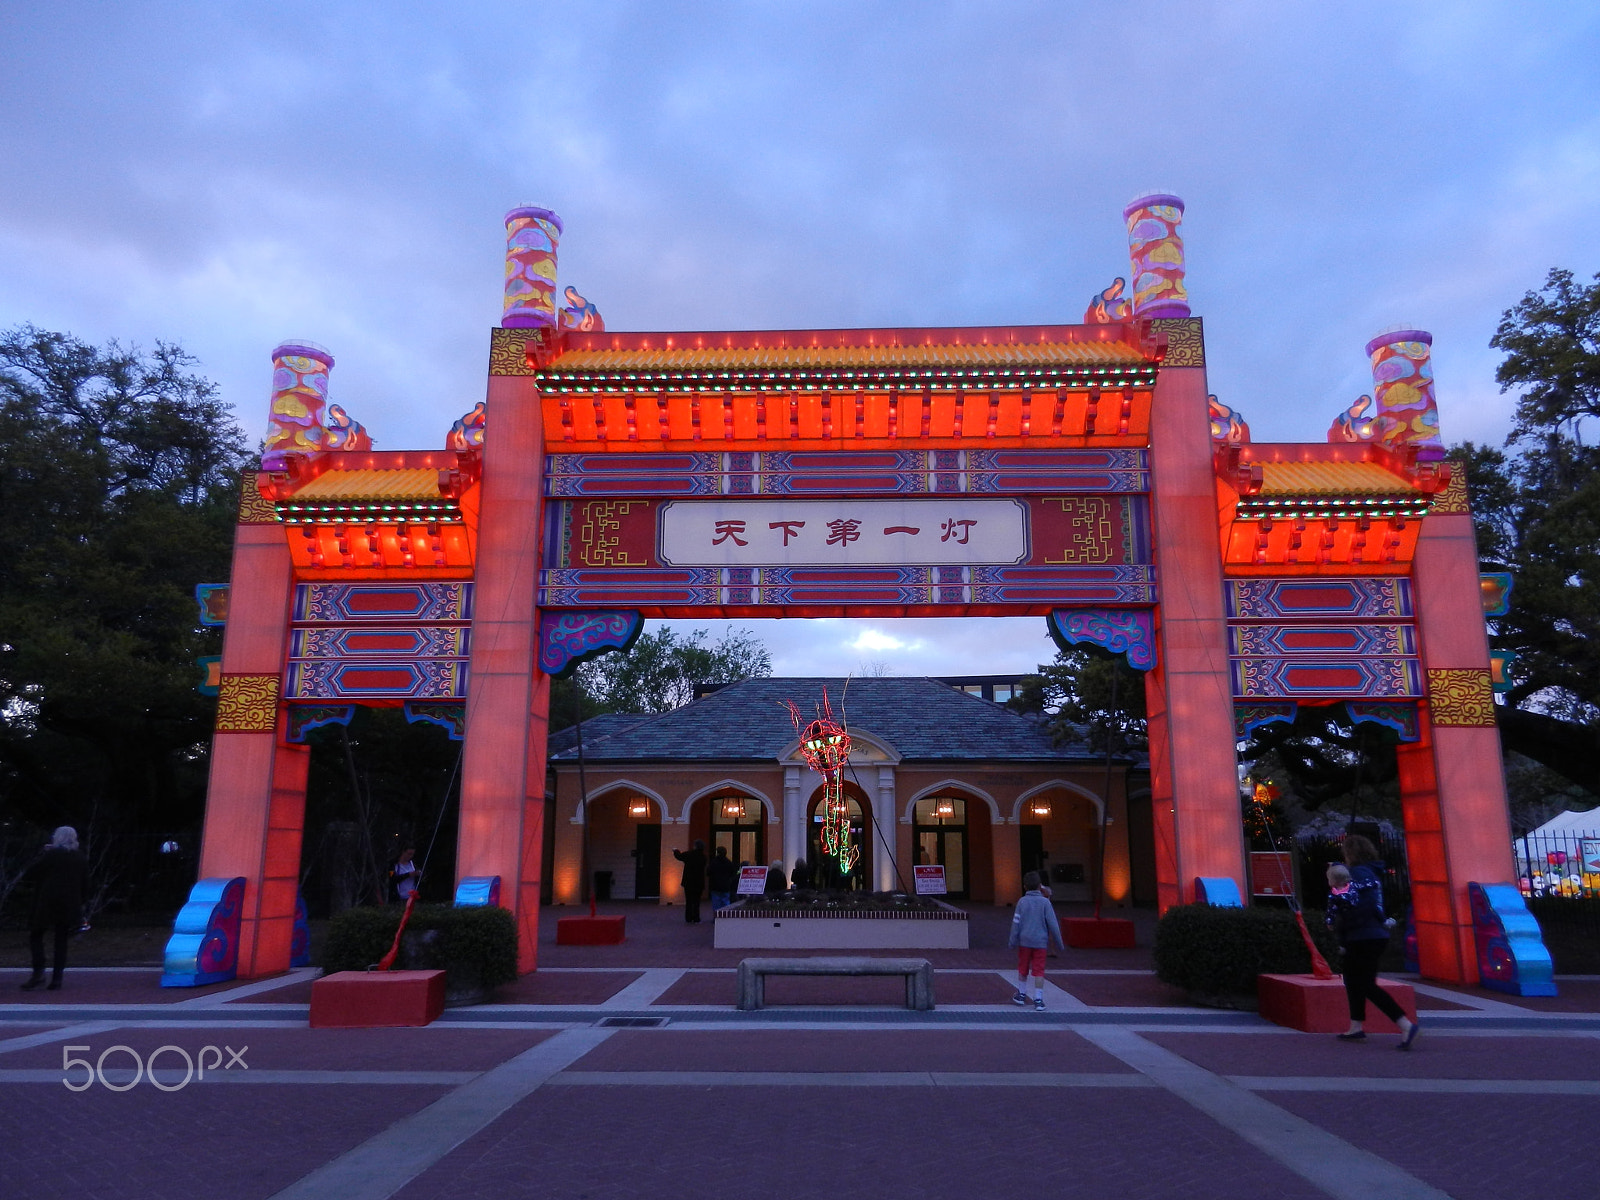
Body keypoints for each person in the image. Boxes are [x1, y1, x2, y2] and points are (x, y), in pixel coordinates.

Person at [1326, 836, 1418, 1049]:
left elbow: (1350, 903)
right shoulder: (1371, 874)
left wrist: (1341, 921)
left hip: (1362, 936)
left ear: (1351, 854)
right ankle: (1355, 1026)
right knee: (1353, 979)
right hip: (1372, 934)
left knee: (1365, 984)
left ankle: (1404, 1024)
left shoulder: (1357, 875)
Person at [21, 827, 88, 992]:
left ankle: (38, 973)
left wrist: (42, 854)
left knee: (36, 934)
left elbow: (30, 874)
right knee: (61, 940)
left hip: (47, 902)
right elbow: (86, 884)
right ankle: (57, 978)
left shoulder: (51, 856)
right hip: (70, 904)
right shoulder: (80, 858)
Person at [1008, 870, 1064, 1010]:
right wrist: (1059, 943)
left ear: (1025, 887)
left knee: (1023, 967)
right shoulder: (1045, 903)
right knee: (1039, 970)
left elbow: (1016, 922)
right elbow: (1053, 924)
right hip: (1040, 942)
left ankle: (1021, 994)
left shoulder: (1022, 902)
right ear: (1040, 886)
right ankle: (1038, 998)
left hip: (1025, 941)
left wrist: (1012, 940)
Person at [673, 839, 708, 924]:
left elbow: (679, 856)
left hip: (688, 882)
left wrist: (675, 851)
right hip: (699, 882)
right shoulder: (703, 857)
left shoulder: (689, 854)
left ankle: (688, 918)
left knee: (689, 900)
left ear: (695, 846)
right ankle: (696, 918)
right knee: (697, 901)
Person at [707, 845, 738, 912]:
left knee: (716, 903)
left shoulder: (713, 862)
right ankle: (725, 917)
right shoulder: (728, 862)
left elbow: (708, 872)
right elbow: (733, 873)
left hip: (715, 885)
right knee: (726, 902)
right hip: (725, 885)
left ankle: (716, 917)